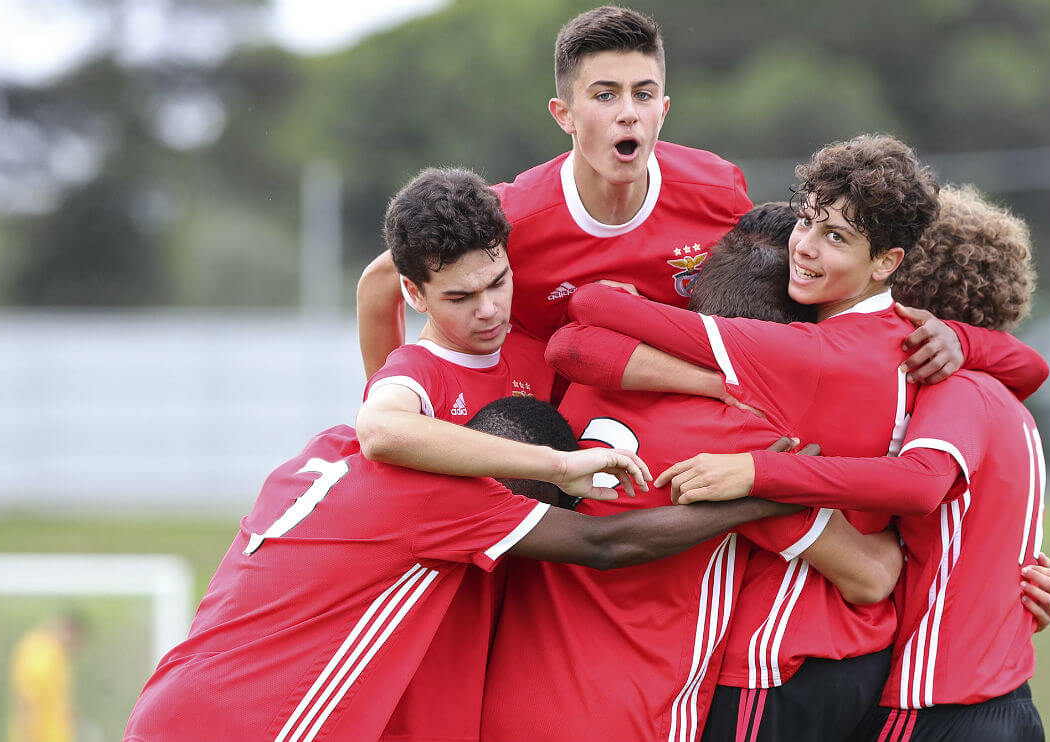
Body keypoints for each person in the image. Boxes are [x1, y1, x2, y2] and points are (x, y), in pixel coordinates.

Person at [553, 135, 1050, 742]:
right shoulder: (926, 353)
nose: (807, 246)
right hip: (868, 656)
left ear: (890, 265)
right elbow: (1030, 368)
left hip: (778, 661)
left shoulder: (806, 354)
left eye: (835, 237)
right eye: (808, 223)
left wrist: (737, 430)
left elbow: (586, 316)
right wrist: (967, 338)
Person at [122, 397, 806, 742]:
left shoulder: (341, 443)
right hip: (254, 726)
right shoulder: (450, 502)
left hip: (169, 703)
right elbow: (609, 545)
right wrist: (766, 491)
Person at [354, 7, 967, 387]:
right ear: (563, 114)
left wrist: (949, 336)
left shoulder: (714, 189)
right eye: (604, 96)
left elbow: (832, 274)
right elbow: (383, 282)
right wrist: (389, 401)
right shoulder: (510, 215)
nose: (628, 115)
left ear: (664, 109)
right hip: (546, 451)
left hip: (684, 442)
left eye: (644, 95)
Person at [481, 220, 906, 742]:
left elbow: (572, 344)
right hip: (635, 717)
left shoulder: (587, 390)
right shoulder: (744, 442)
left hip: (509, 704)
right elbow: (869, 577)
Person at [355, 166, 645, 500]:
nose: (489, 310)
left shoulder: (540, 344)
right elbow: (378, 429)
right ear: (415, 293)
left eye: (498, 282)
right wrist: (557, 466)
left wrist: (626, 315)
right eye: (460, 297)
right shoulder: (416, 373)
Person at [8, 610, 85, 742]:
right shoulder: (41, 652)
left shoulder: (56, 654)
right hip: (40, 735)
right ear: (69, 630)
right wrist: (26, 734)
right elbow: (27, 698)